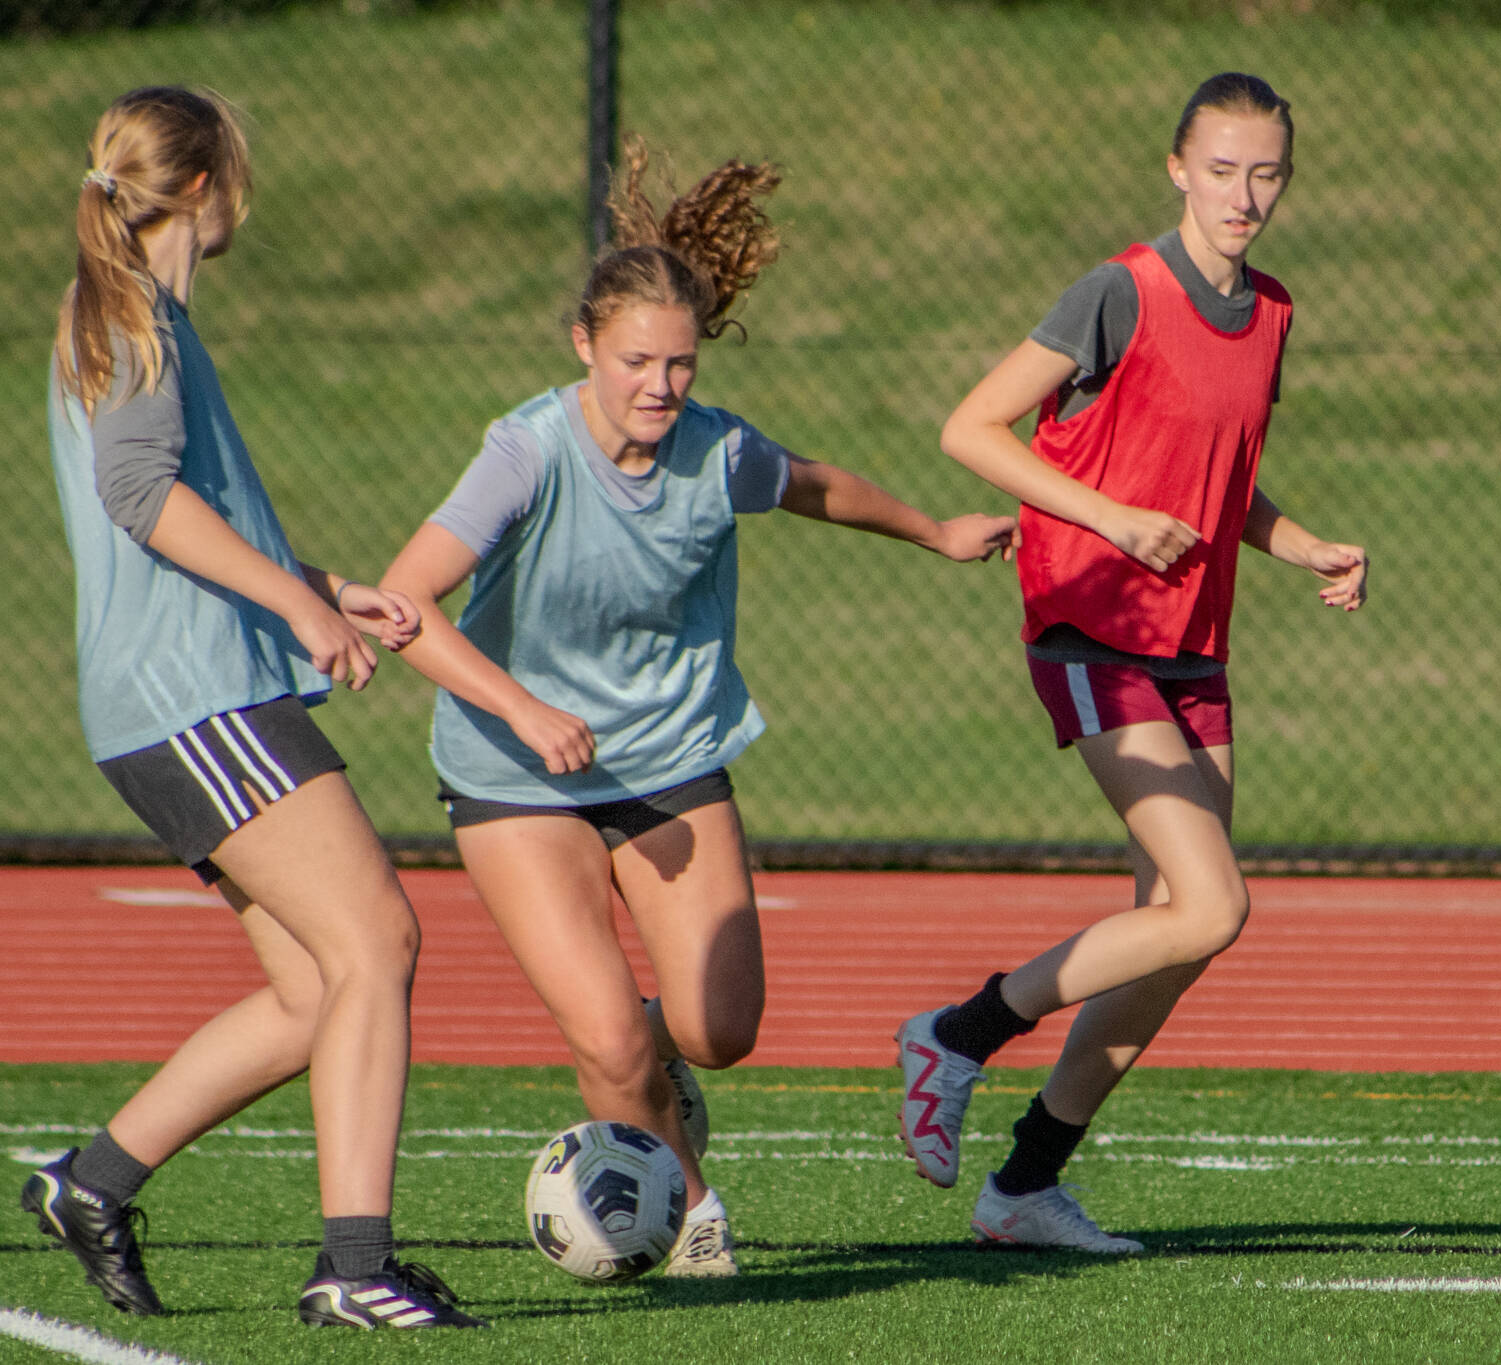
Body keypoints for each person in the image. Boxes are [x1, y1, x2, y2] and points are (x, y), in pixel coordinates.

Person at [378, 136, 1017, 1278]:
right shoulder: (526, 452)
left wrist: (934, 530)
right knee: (611, 1036)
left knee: (719, 1032)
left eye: (679, 364)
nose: (660, 386)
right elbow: (406, 600)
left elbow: (816, 484)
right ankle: (688, 1214)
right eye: (635, 361)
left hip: (667, 757)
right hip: (515, 773)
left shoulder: (717, 455)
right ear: (584, 346)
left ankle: (656, 1082)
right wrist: (522, 710)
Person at [24, 86, 481, 1329]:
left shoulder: (140, 317)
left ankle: (93, 1182)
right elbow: (139, 494)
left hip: (174, 696)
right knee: (378, 942)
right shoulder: (134, 322)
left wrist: (332, 591)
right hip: (194, 697)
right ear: (209, 187)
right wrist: (296, 609)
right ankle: (354, 1269)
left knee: (317, 991)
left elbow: (188, 517)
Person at [893, 73, 1365, 1253]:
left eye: (1266, 172)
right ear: (1174, 168)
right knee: (1211, 902)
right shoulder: (1119, 290)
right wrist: (1106, 519)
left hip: (1193, 646)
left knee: (1183, 926)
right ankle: (956, 1034)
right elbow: (969, 428)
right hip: (1090, 624)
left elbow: (1214, 474)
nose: (1243, 195)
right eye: (1220, 169)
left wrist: (1300, 544)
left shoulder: (1272, 311)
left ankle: (1023, 1186)